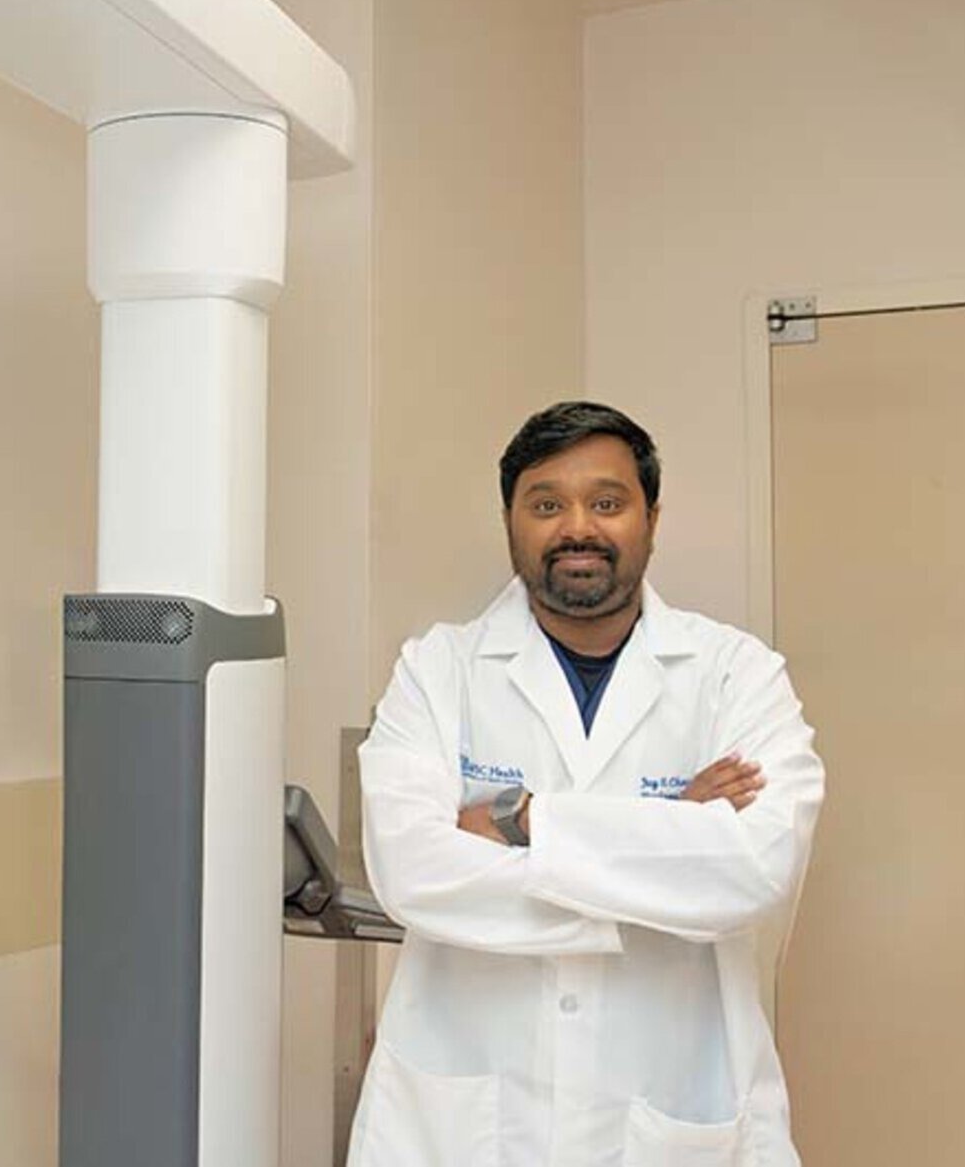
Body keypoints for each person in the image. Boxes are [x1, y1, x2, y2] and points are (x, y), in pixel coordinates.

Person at [350, 401, 824, 1167]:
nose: (578, 526)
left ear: (651, 518)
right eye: (546, 503)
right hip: (463, 1127)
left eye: (607, 502)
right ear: (510, 518)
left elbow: (755, 871)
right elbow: (413, 871)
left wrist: (522, 819)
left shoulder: (737, 675)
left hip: (673, 1109)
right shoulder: (437, 671)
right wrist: (668, 840)